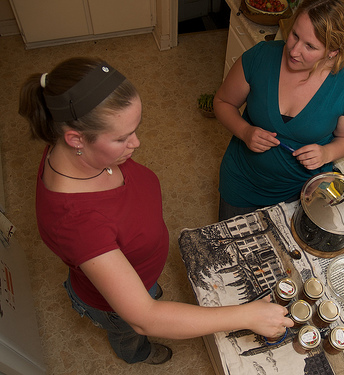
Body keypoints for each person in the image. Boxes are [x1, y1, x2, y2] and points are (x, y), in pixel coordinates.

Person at [18, 57, 293, 365]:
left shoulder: (77, 149)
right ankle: (139, 353)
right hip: (112, 306)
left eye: (134, 129)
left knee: (146, 290)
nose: (136, 143)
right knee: (129, 332)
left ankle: (145, 286)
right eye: (122, 138)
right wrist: (247, 315)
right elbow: (144, 318)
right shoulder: (77, 222)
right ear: (75, 139)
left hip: (138, 265)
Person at [214, 0, 344, 221]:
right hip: (241, 185)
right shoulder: (260, 57)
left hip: (300, 195)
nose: (294, 50)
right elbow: (222, 102)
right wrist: (245, 131)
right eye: (295, 35)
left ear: (333, 51)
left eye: (310, 46)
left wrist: (327, 153)